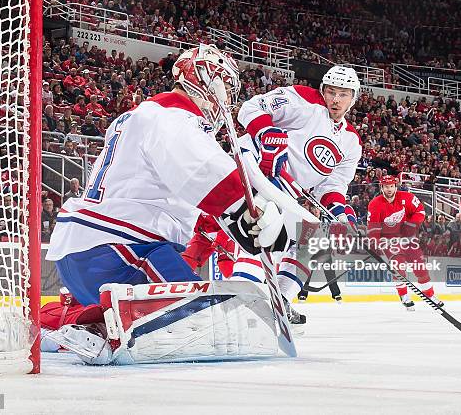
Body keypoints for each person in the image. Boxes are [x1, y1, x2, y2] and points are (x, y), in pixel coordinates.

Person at [46, 44, 292, 364]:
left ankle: (72, 325)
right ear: (206, 81)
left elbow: (175, 191)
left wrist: (227, 220)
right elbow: (204, 172)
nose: (226, 101)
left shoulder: (144, 115)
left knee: (170, 290)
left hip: (89, 251)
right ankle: (116, 334)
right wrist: (246, 209)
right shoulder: (172, 115)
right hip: (119, 249)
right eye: (225, 89)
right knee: (197, 314)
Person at [230, 66, 363, 317]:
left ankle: (279, 301)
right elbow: (250, 108)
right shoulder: (303, 99)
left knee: (311, 239)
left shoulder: (351, 142)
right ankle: (243, 296)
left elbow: (333, 186)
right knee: (265, 226)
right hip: (256, 168)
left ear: (353, 98)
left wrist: (341, 214)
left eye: (343, 94)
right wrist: (268, 132)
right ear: (322, 90)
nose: (335, 99)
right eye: (331, 92)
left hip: (285, 191)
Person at [367, 175, 443, 311]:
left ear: (395, 186)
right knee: (398, 266)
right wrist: (375, 243)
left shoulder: (407, 197)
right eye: (386, 186)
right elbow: (373, 228)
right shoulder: (375, 204)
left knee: (420, 267)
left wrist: (410, 225)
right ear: (381, 187)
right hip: (389, 240)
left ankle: (430, 295)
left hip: (408, 239)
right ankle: (404, 296)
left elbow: (420, 211)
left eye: (391, 186)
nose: (389, 189)